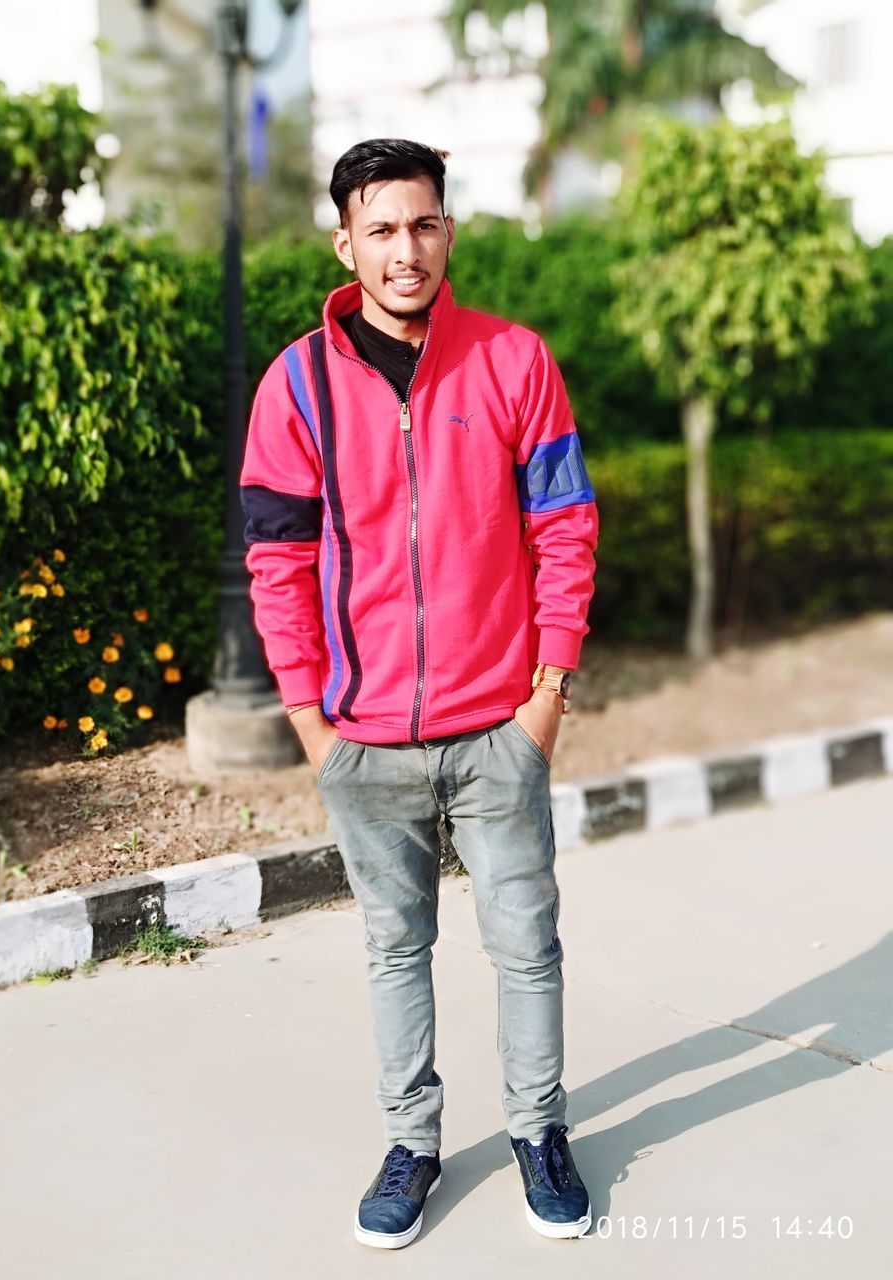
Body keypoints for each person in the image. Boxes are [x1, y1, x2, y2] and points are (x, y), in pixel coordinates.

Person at [240, 138, 599, 1248]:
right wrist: (309, 717)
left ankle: (539, 1127)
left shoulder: (512, 360)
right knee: (395, 948)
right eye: (383, 228)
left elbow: (564, 524)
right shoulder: (297, 382)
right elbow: (277, 558)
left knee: (525, 942)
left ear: (449, 231)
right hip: (364, 739)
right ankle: (415, 1141)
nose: (407, 248)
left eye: (425, 223)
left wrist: (546, 691)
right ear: (346, 241)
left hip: (499, 725)